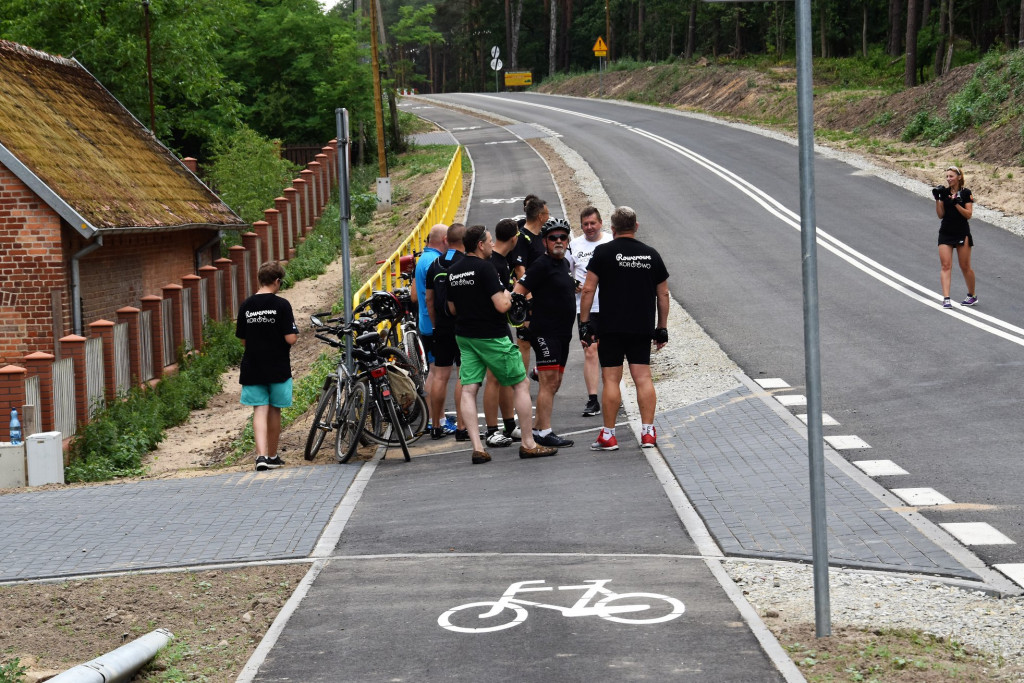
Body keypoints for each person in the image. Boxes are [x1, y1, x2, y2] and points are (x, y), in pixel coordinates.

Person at [446, 224, 558, 464]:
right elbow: (502, 306)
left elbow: (452, 308)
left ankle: (477, 447)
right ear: (480, 244)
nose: (491, 245)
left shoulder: (453, 270)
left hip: (465, 336)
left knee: (469, 388)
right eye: (488, 241)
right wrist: (508, 296)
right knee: (521, 383)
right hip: (492, 335)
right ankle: (528, 443)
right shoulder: (486, 269)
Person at [579, 206, 669, 451]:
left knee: (611, 379)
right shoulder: (651, 255)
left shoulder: (603, 252)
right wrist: (661, 327)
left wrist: (585, 323)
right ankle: (648, 433)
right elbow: (663, 293)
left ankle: (609, 435)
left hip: (611, 326)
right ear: (636, 226)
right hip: (641, 326)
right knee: (643, 378)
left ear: (613, 228)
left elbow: (588, 289)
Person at [513, 217, 578, 448]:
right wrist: (527, 319)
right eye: (553, 238)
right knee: (548, 381)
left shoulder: (563, 263)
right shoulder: (541, 264)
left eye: (563, 237)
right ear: (545, 241)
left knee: (555, 382)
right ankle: (543, 431)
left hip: (563, 333)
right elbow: (518, 292)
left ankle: (540, 427)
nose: (559, 241)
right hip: (545, 332)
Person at [235, 261, 299, 471]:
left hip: (253, 366)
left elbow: (243, 340)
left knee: (259, 410)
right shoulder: (282, 305)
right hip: (278, 367)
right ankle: (272, 455)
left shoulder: (246, 305)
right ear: (277, 281)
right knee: (275, 410)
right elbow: (290, 338)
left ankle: (260, 457)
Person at [424, 223, 469, 440]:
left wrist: (435, 324)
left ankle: (435, 426)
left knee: (440, 376)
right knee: (463, 375)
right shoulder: (466, 263)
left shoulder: (435, 264)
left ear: (447, 240)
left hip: (440, 326)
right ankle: (462, 427)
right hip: (461, 326)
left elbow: (428, 299)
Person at [567, 206, 613, 417]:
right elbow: (563, 271)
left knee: (610, 354)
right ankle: (593, 399)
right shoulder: (574, 245)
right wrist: (572, 283)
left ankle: (612, 395)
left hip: (611, 306)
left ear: (600, 223)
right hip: (586, 308)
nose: (589, 228)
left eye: (593, 223)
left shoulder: (611, 242)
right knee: (591, 351)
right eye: (585, 224)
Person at [482, 218, 520, 446]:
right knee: (494, 378)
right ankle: (491, 430)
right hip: (490, 327)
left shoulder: (502, 261)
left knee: (506, 377)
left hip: (501, 324)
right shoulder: (493, 263)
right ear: (514, 237)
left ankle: (509, 425)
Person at [414, 224, 455, 436]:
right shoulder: (435, 262)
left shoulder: (422, 259)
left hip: (425, 322)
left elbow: (414, 295)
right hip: (434, 324)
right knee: (437, 373)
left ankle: (434, 417)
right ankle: (435, 418)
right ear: (446, 239)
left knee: (434, 371)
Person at [510, 196, 550, 374]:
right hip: (529, 297)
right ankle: (521, 380)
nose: (549, 216)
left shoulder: (542, 235)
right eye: (547, 213)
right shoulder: (522, 237)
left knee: (545, 339)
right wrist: (528, 296)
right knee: (525, 341)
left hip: (545, 296)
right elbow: (520, 269)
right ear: (540, 216)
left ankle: (542, 372)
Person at [933, 165, 976, 308]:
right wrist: (938, 199)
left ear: (959, 177)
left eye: (951, 176)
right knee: (946, 266)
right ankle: (946, 298)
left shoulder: (966, 193)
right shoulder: (944, 192)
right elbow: (941, 215)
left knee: (965, 266)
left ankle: (972, 295)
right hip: (946, 232)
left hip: (961, 232)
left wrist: (957, 204)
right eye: (947, 176)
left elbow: (968, 215)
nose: (948, 179)